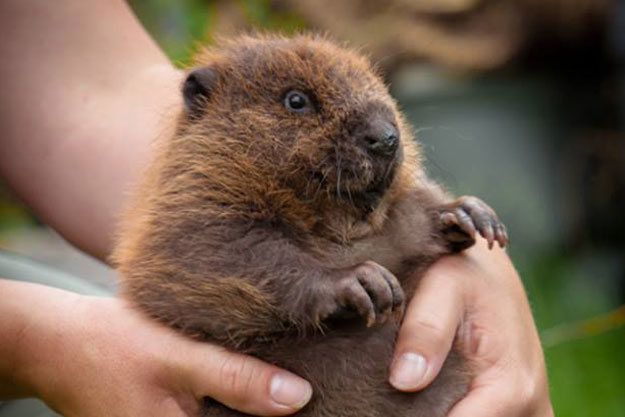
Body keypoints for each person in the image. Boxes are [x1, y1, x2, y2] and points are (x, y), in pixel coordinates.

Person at [0, 1, 553, 416]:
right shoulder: (205, 223)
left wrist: (452, 230)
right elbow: (195, 263)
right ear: (207, 105)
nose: (383, 136)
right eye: (297, 104)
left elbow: (91, 90)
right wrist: (34, 344)